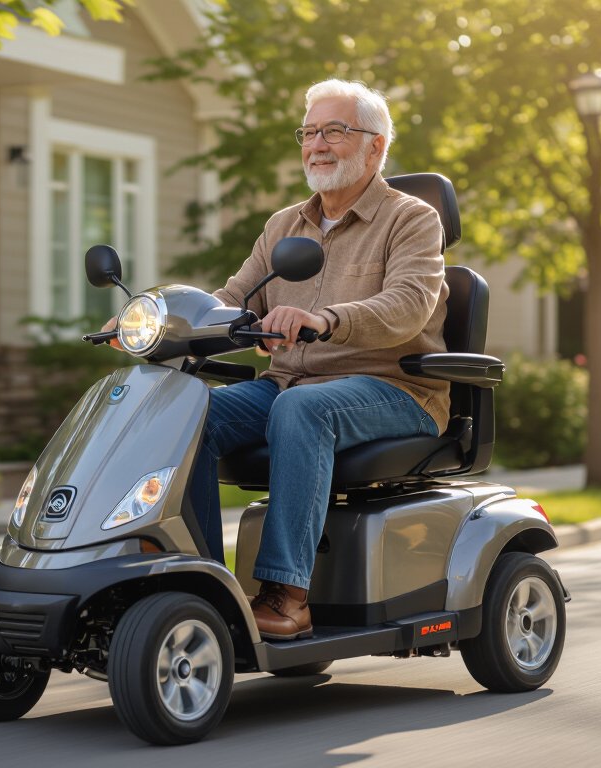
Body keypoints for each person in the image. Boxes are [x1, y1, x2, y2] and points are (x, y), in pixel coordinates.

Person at [194, 79, 450, 641]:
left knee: (304, 410)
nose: (317, 145)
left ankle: (287, 595)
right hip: (290, 385)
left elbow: (409, 306)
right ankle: (199, 586)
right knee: (188, 413)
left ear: (376, 145)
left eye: (334, 131)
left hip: (395, 389)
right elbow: (233, 298)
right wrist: (163, 313)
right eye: (309, 132)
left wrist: (326, 319)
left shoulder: (411, 219)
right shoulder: (283, 225)